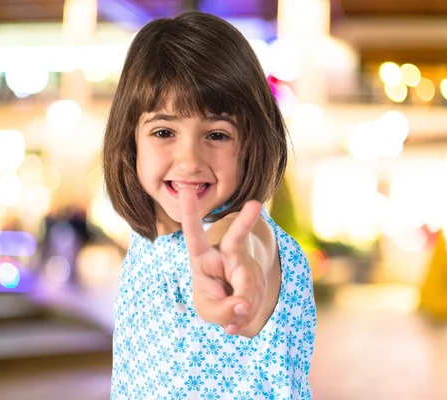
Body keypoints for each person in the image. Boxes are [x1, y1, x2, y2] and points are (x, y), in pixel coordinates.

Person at [102, 11, 316, 399]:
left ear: (251, 144)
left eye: (217, 134)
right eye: (163, 131)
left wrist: (234, 274)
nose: (189, 160)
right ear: (130, 141)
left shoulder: (243, 233)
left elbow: (246, 246)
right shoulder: (147, 245)